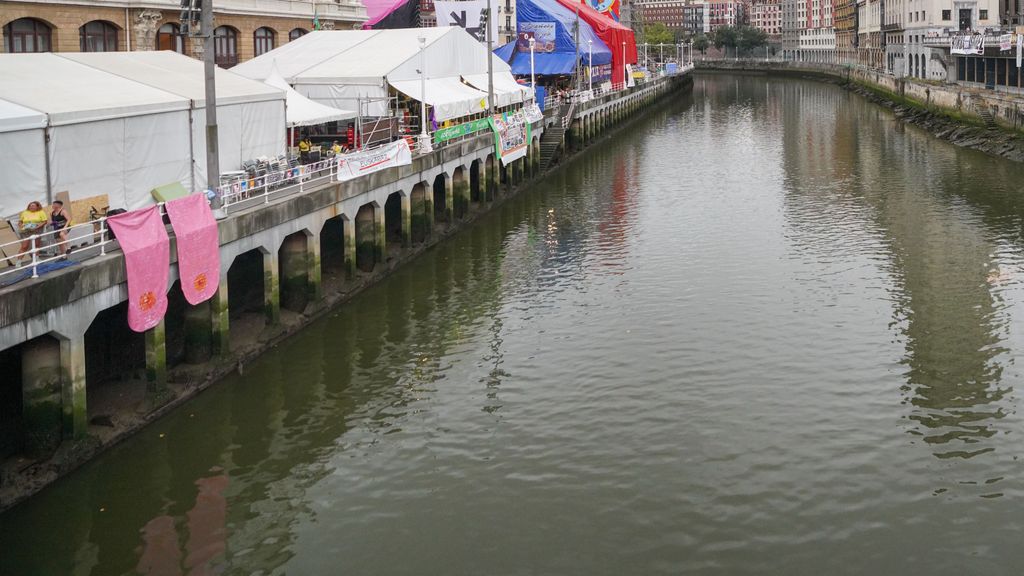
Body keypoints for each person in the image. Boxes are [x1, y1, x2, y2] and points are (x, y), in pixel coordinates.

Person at [17, 201, 48, 265]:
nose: (31, 207)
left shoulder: (41, 212)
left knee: (36, 245)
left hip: (37, 230)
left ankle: (37, 258)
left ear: (37, 206)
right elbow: (20, 222)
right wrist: (21, 226)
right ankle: (18, 261)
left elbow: (44, 221)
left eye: (33, 206)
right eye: (30, 205)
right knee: (24, 246)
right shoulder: (25, 212)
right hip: (26, 231)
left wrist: (36, 227)